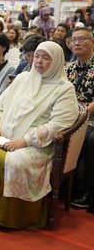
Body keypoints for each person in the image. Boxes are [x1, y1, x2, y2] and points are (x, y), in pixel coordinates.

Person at [0, 41, 79, 229]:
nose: (39, 61)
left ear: (57, 61)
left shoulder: (64, 89)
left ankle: (7, 217)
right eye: (37, 56)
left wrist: (24, 141)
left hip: (35, 144)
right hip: (2, 134)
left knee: (15, 161)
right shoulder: (22, 78)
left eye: (46, 57)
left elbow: (58, 125)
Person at [66, 27, 94, 211]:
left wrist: (82, 116)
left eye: (82, 39)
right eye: (74, 39)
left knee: (90, 139)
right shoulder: (68, 68)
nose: (76, 42)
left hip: (89, 117)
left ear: (92, 42)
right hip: (67, 115)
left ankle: (85, 189)